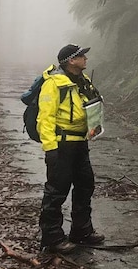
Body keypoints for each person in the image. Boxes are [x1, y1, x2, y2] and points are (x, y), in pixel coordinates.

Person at [37, 44, 105, 254]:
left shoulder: (83, 82)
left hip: (80, 143)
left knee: (85, 185)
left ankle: (81, 231)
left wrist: (94, 127)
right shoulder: (54, 84)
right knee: (56, 191)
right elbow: (45, 118)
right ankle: (52, 238)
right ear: (71, 61)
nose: (85, 58)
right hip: (61, 144)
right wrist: (50, 149)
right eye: (81, 56)